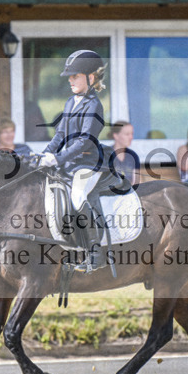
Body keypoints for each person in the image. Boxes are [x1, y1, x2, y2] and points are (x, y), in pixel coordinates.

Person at [38, 50, 110, 272]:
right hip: (69, 163)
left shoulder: (94, 106)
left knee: (78, 196)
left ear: (90, 77)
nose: (70, 79)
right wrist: (44, 155)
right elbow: (60, 135)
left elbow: (85, 141)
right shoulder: (71, 102)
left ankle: (96, 252)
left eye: (75, 76)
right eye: (69, 76)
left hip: (88, 164)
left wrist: (58, 158)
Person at [108, 120, 140, 186]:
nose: (131, 137)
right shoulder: (105, 154)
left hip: (128, 194)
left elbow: (136, 183)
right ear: (116, 136)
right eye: (127, 134)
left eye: (132, 134)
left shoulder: (133, 156)